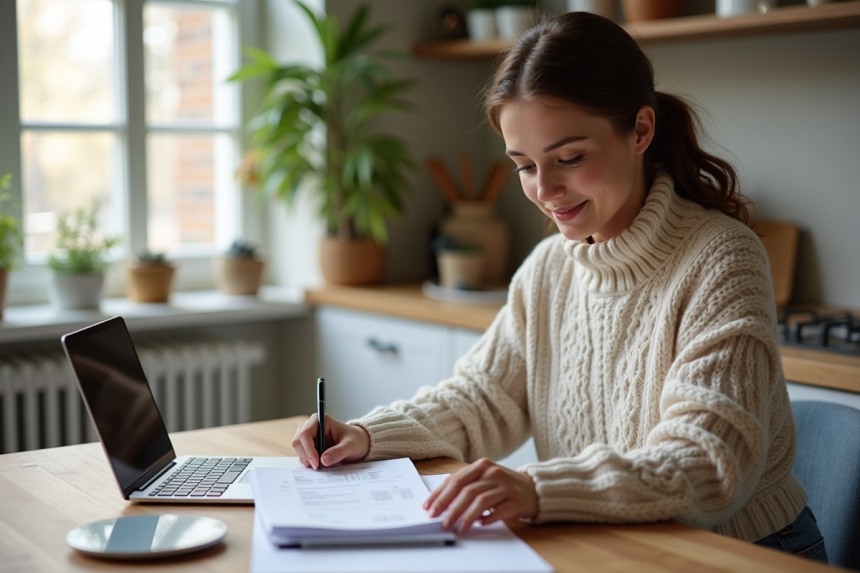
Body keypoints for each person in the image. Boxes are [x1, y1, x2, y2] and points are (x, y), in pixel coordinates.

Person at [292, 11, 827, 563]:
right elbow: (481, 399)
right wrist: (368, 435)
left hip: (743, 551)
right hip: (614, 543)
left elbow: (707, 463)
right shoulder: (549, 267)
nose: (545, 190)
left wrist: (538, 489)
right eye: (524, 166)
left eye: (569, 158)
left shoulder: (721, 258)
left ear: (640, 131)